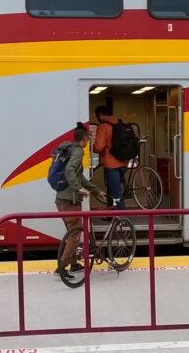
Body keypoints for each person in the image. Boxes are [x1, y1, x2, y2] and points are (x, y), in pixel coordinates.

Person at [55, 122, 106, 279]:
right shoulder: (77, 152)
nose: (89, 141)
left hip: (61, 199)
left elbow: (80, 177)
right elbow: (70, 170)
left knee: (72, 233)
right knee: (75, 236)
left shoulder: (69, 149)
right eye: (88, 138)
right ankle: (61, 268)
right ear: (84, 138)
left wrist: (96, 191)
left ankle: (74, 263)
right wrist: (78, 188)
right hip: (70, 201)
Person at [93, 106, 130, 209]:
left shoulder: (103, 126)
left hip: (111, 163)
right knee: (116, 189)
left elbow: (99, 147)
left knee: (116, 192)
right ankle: (113, 213)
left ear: (100, 115)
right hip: (124, 162)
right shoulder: (122, 123)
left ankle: (122, 216)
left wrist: (92, 147)